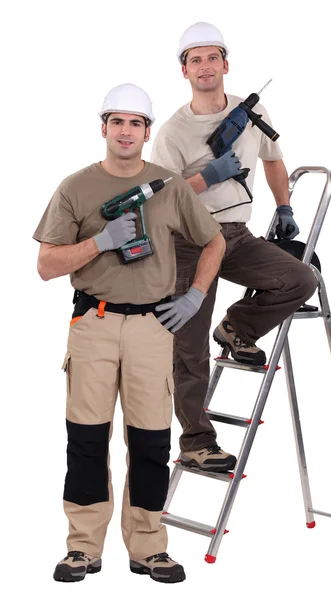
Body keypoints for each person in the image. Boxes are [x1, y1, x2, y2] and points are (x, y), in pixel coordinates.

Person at [33, 82, 225, 584]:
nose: (125, 131)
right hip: (92, 323)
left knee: (150, 442)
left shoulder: (170, 186)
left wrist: (195, 296)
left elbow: (214, 241)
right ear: (104, 128)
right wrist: (99, 241)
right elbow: (46, 265)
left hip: (152, 327)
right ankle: (82, 548)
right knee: (87, 440)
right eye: (116, 121)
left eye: (135, 123)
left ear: (146, 131)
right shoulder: (75, 187)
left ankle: (149, 548)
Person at [150, 22, 317, 474]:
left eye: (212, 58)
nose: (205, 67)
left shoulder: (250, 113)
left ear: (226, 64)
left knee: (301, 279)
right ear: (184, 71)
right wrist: (207, 177)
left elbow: (274, 159)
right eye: (195, 60)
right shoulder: (172, 132)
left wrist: (284, 207)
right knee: (188, 348)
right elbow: (160, 200)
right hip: (187, 242)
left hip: (236, 236)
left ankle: (236, 328)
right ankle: (197, 443)